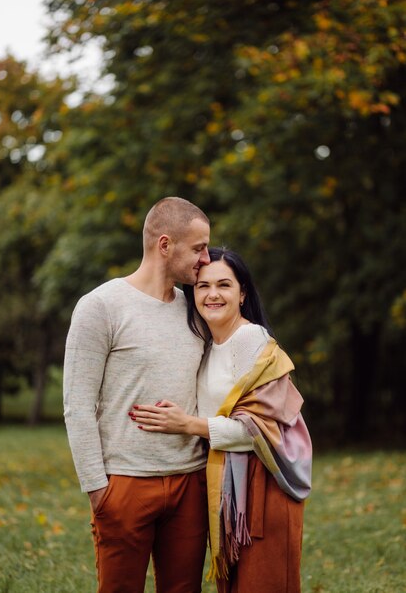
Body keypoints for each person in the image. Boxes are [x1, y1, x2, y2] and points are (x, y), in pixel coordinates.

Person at [130, 246, 313, 593]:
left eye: (224, 285)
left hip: (262, 484)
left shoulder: (249, 338)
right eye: (203, 286)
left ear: (242, 293)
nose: (212, 294)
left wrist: (188, 425)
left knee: (262, 584)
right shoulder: (209, 345)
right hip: (229, 482)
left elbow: (261, 429)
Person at [63, 197, 211, 593]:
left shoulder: (196, 308)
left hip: (189, 484)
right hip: (125, 485)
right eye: (198, 248)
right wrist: (98, 489)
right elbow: (77, 405)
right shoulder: (101, 306)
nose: (207, 258)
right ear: (165, 245)